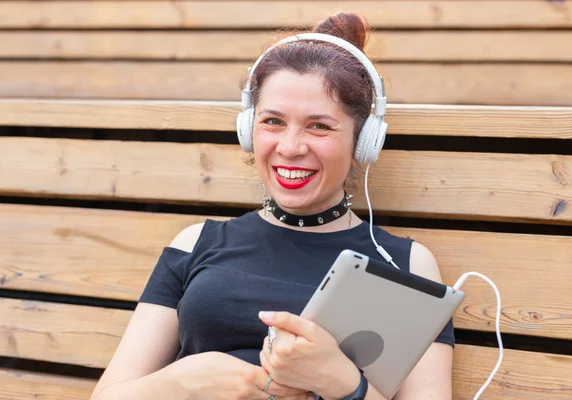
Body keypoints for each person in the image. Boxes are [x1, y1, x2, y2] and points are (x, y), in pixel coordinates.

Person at [90, 12, 454, 400]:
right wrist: (184, 381)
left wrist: (344, 383)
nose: (291, 147)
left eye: (319, 126)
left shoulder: (405, 265)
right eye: (273, 121)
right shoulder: (195, 243)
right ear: (249, 131)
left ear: (362, 144)